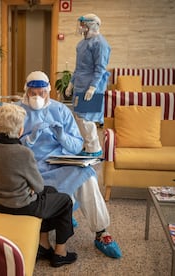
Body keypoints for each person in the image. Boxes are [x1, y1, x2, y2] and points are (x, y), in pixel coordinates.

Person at [17, 71, 122, 259]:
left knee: (88, 175)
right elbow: (9, 145)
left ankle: (101, 232)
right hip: (33, 168)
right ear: (27, 91)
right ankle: (64, 212)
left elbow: (76, 145)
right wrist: (29, 139)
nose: (38, 97)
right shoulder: (18, 112)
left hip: (59, 163)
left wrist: (61, 135)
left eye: (42, 93)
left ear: (48, 91)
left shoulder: (60, 110)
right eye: (33, 93)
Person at [0, 104, 77, 267]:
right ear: (21, 129)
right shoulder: (23, 152)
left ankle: (43, 244)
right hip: (18, 205)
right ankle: (60, 253)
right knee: (64, 201)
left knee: (52, 191)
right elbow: (39, 186)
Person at [65, 13, 111, 157]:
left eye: (83, 24)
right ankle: (87, 146)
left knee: (87, 119)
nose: (80, 27)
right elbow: (78, 67)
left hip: (92, 86)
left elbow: (100, 68)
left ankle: (94, 148)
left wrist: (93, 87)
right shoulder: (82, 44)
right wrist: (71, 84)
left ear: (91, 25)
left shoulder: (100, 44)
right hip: (80, 84)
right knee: (79, 117)